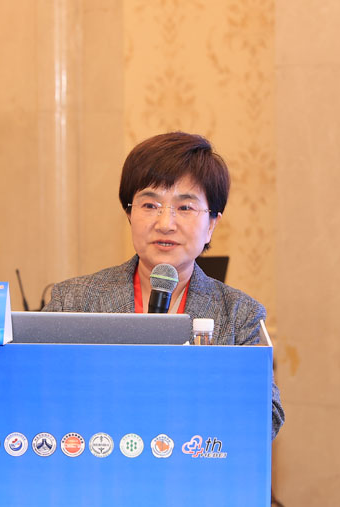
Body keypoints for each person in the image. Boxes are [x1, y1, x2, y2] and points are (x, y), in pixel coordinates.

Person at [43, 131, 284, 439]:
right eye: (150, 205)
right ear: (129, 214)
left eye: (185, 208)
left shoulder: (240, 315)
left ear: (211, 224)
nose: (165, 223)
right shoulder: (73, 301)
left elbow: (266, 419)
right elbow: (37, 396)